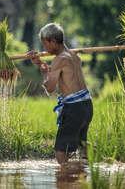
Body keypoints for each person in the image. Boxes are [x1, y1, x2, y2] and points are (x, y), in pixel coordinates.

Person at [27, 22, 93, 165]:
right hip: (87, 105)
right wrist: (40, 64)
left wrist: (44, 74)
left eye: (45, 44)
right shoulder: (74, 56)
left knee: (60, 154)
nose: (44, 48)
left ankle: (68, 181)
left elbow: (50, 88)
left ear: (53, 41)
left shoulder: (59, 59)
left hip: (74, 109)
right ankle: (81, 178)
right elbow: (64, 77)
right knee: (81, 148)